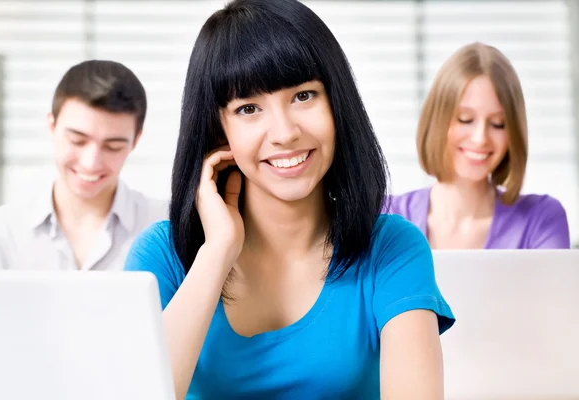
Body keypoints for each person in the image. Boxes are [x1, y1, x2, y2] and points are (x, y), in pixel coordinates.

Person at [125, 0, 455, 398]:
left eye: (303, 96)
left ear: (337, 103)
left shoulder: (390, 248)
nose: (284, 132)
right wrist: (217, 251)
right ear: (218, 129)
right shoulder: (161, 255)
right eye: (248, 108)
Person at [0, 60, 168, 270]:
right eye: (77, 140)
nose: (91, 162)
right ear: (52, 125)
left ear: (136, 140)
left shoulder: (165, 226)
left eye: (113, 146)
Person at [389, 42, 571, 249]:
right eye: (465, 119)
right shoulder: (388, 217)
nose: (480, 138)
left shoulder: (540, 220)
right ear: (436, 120)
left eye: (498, 124)